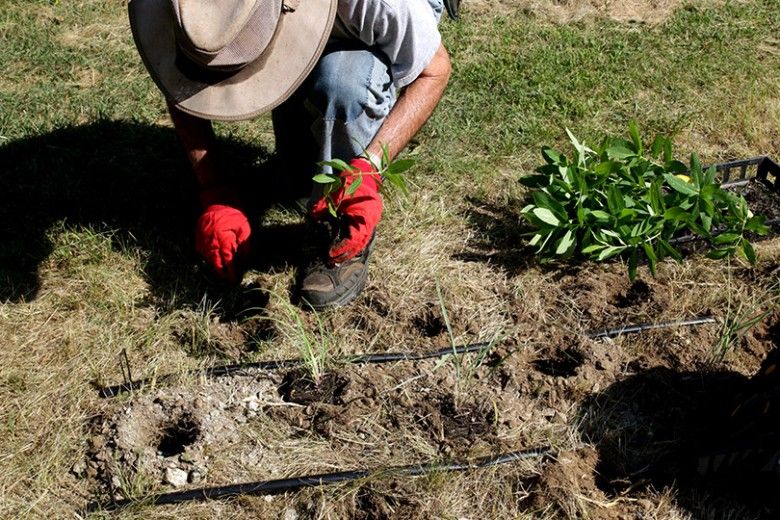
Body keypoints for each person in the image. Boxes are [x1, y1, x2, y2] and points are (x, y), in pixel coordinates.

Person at [128, 0, 451, 309]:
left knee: (343, 81)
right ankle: (302, 168)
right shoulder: (178, 7)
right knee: (297, 182)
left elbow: (434, 71)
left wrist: (367, 169)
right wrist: (215, 190)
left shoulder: (376, 5)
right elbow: (180, 81)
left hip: (376, 16)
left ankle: (338, 226)